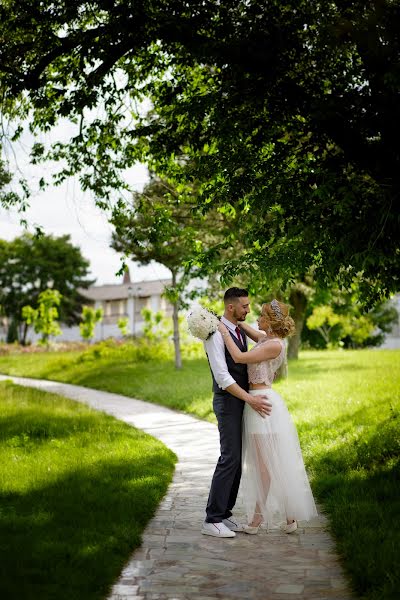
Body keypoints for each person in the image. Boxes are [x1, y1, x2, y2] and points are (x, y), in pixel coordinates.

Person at [218, 299, 318, 534]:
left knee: (264, 466)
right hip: (258, 403)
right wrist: (231, 321)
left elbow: (239, 358)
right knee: (269, 463)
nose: (258, 318)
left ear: (271, 322)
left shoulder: (275, 345)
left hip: (262, 404)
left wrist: (222, 331)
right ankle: (290, 518)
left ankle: (256, 521)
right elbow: (249, 330)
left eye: (262, 315)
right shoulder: (267, 339)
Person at [201, 287, 272, 538]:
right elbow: (222, 377)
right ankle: (212, 518)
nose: (248, 310)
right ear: (231, 307)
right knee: (229, 457)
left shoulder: (238, 330)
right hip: (228, 402)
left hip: (243, 402)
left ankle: (225, 513)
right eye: (244, 306)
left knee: (238, 461)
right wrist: (249, 400)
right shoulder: (215, 334)